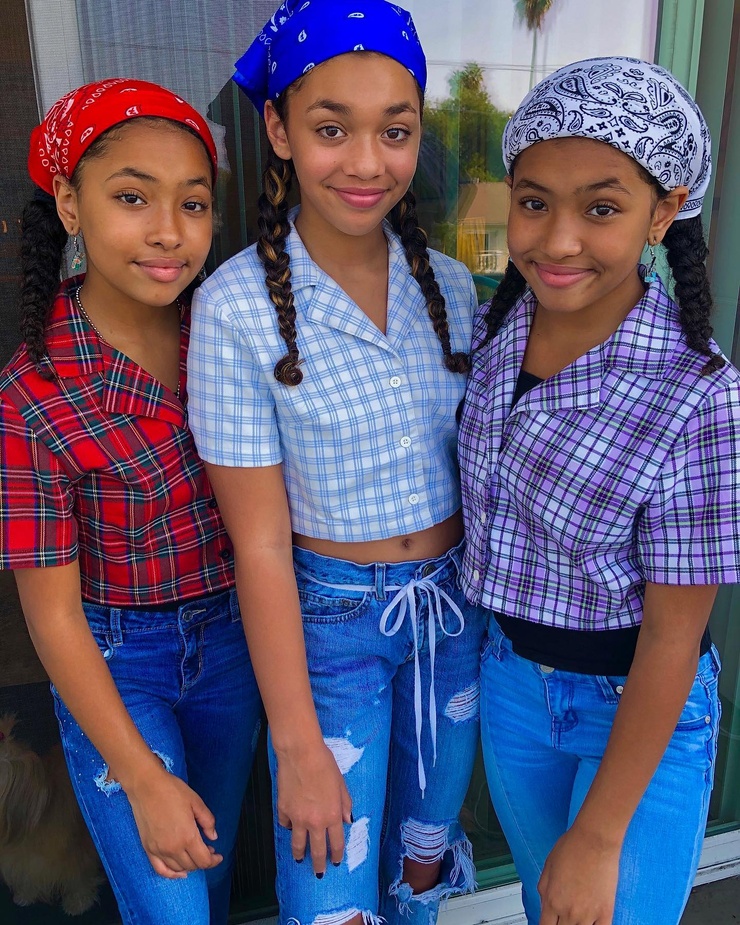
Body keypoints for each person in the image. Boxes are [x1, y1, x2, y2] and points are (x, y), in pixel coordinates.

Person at [186, 2, 485, 923]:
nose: (366, 162)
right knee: (332, 893)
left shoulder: (454, 286)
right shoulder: (235, 307)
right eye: (330, 129)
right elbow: (260, 546)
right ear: (278, 131)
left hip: (452, 616)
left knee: (421, 866)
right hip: (329, 632)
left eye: (395, 131)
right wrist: (298, 743)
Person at [458, 56, 740, 925]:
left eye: (602, 208)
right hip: (511, 684)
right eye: (535, 202)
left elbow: (673, 634)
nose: (557, 241)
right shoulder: (494, 330)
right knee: (548, 909)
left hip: (634, 706)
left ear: (662, 212)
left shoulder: (698, 392)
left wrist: (602, 831)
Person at [0, 79, 262, 925]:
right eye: (131, 197)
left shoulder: (226, 335)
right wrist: (142, 777)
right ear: (70, 204)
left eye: (194, 202)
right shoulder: (34, 392)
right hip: (117, 661)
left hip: (234, 642)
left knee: (212, 866)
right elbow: (52, 616)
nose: (168, 231)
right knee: (169, 900)